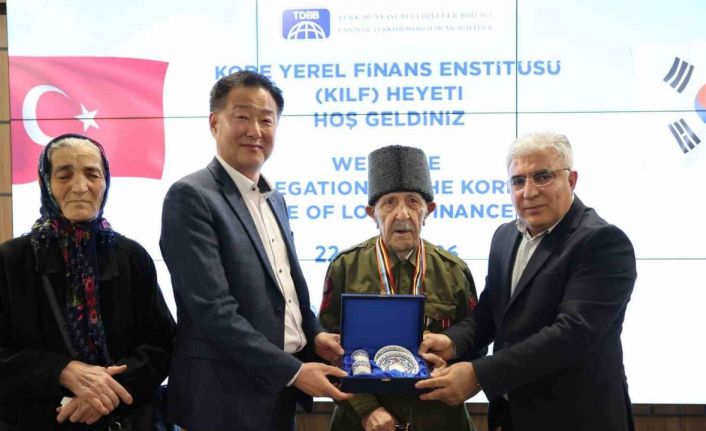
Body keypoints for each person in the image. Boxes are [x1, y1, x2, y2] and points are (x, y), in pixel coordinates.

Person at [160, 70, 350, 431]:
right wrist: (294, 371)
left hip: (276, 396)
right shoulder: (191, 196)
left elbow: (286, 293)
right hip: (222, 401)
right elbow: (213, 310)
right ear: (214, 123)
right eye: (242, 117)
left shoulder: (275, 200)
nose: (255, 130)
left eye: (266, 120)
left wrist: (314, 335)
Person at [416, 132, 637, 431]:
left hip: (578, 418)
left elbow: (571, 334)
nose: (529, 192)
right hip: (512, 417)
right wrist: (452, 342)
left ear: (571, 180)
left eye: (543, 177)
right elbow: (490, 313)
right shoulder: (505, 236)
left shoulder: (603, 242)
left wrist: (479, 375)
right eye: (518, 181)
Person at [0, 134, 176, 430]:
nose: (80, 187)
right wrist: (61, 371)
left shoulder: (130, 257)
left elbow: (161, 345)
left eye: (92, 175)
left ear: (106, 182)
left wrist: (105, 392)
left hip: (119, 418)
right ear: (45, 182)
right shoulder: (11, 260)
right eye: (64, 175)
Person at [319, 145, 483, 431]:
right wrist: (366, 410)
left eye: (413, 202)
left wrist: (451, 372)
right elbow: (326, 351)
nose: (403, 214)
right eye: (389, 203)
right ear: (372, 213)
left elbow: (475, 346)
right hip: (362, 422)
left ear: (429, 210)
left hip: (439, 418)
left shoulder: (454, 271)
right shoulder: (345, 267)